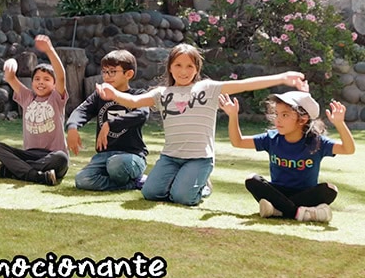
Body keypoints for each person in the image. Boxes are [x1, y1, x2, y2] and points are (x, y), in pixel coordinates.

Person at [96, 43, 306, 206]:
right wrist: (113, 93)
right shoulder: (162, 93)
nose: (183, 71)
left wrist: (283, 77)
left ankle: (203, 185)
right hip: (171, 157)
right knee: (150, 193)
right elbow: (134, 102)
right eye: (178, 65)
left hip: (199, 158)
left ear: (197, 69)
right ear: (170, 67)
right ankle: (183, 180)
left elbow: (243, 85)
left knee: (183, 198)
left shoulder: (208, 88)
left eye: (189, 66)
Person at [219, 89, 355, 223]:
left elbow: (348, 149)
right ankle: (301, 213)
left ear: (302, 119)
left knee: (330, 189)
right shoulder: (271, 138)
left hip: (305, 194)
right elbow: (238, 142)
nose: (278, 120)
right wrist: (232, 115)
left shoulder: (317, 142)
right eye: (276, 114)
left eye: (284, 115)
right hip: (277, 192)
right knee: (251, 180)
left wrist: (340, 124)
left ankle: (278, 210)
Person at [0, 35, 69, 185]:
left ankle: (11, 171)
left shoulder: (56, 98)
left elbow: (61, 76)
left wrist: (50, 50)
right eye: (37, 79)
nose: (41, 82)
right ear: (32, 82)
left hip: (52, 157)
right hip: (29, 154)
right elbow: (10, 78)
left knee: (61, 158)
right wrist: (10, 65)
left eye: (46, 79)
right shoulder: (27, 97)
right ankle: (37, 176)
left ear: (54, 85)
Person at [68, 50, 149, 191]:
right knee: (82, 180)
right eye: (104, 72)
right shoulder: (99, 96)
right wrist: (72, 127)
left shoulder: (138, 95)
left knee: (116, 164)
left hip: (131, 156)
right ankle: (133, 183)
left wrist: (110, 124)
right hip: (104, 157)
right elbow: (81, 111)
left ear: (128, 74)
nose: (107, 76)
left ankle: (132, 176)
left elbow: (142, 113)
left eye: (112, 71)